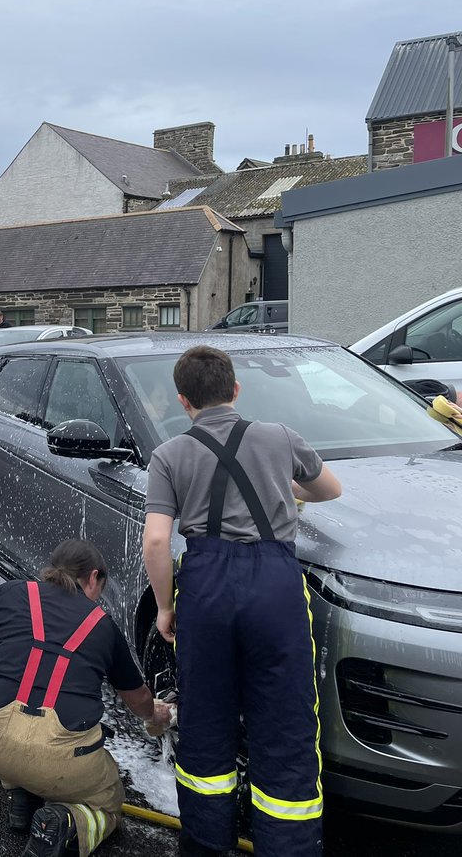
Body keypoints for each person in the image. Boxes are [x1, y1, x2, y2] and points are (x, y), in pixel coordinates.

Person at [142, 346, 342, 857]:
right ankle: (289, 847)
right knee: (286, 720)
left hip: (205, 587)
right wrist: (285, 490)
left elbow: (158, 542)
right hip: (274, 584)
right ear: (235, 390)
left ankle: (208, 844)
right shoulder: (279, 437)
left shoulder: (169, 455)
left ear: (183, 401)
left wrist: (166, 608)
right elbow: (330, 489)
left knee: (207, 718)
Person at [0, 540, 173, 857]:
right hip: (61, 764)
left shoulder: (11, 592)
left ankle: (20, 793)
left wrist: (1, 657)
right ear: (93, 578)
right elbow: (138, 702)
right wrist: (157, 715)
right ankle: (66, 822)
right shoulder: (103, 626)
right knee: (108, 801)